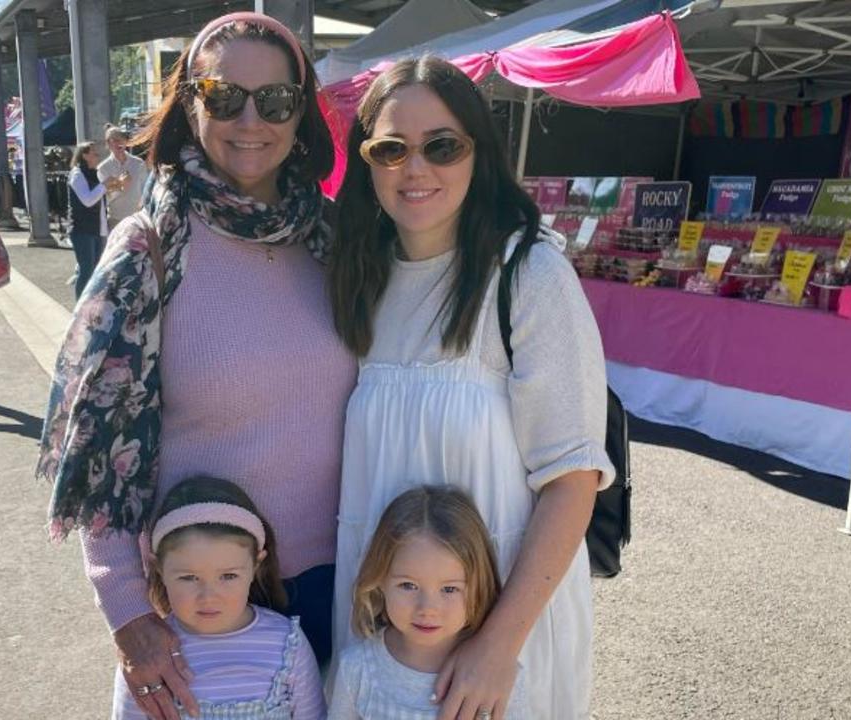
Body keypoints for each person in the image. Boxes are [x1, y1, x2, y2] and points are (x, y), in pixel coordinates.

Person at [36, 12, 348, 720]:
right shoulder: (148, 249)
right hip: (204, 599)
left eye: (274, 100)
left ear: (301, 113)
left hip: (343, 582)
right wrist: (125, 611)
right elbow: (100, 454)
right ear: (188, 104)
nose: (250, 119)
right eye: (222, 96)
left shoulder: (334, 239)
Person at [329, 57, 615, 720]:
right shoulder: (358, 279)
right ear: (365, 159)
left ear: (477, 153)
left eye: (442, 145)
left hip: (500, 636)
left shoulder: (527, 273)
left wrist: (497, 645)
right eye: (391, 147)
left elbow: (572, 477)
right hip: (385, 633)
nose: (415, 167)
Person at [112, 476, 325, 719]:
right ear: (158, 568)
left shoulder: (288, 644)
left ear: (256, 565)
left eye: (228, 576)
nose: (208, 597)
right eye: (189, 577)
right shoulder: (146, 654)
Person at [328, 486, 520, 719]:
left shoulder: (495, 675)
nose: (427, 608)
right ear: (379, 580)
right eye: (408, 586)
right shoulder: (358, 670)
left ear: (479, 587)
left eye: (449, 589)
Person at [65, 141, 107, 299]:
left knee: (95, 270)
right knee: (86, 269)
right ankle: (80, 306)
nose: (98, 156)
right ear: (84, 155)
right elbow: (87, 200)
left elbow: (99, 202)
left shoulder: (93, 173)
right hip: (81, 229)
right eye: (94, 153)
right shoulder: (77, 174)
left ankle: (89, 305)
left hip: (96, 228)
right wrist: (105, 186)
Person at [99, 125, 148, 231]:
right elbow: (104, 199)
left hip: (137, 220)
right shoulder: (103, 168)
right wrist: (120, 186)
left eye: (122, 139)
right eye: (115, 140)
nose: (119, 142)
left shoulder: (139, 163)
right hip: (116, 221)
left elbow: (146, 191)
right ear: (108, 143)